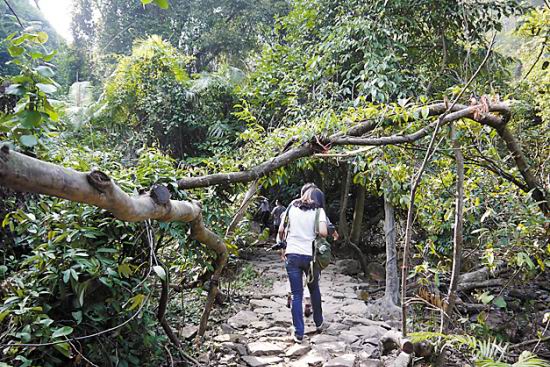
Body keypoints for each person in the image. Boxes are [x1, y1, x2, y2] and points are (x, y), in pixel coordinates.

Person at [278, 187, 328, 343]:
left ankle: (299, 332)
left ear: (301, 195)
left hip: (292, 254)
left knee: (296, 294)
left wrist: (284, 245)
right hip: (310, 257)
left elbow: (281, 229)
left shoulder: (291, 207)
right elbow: (324, 232)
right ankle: (319, 323)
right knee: (314, 290)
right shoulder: (319, 211)